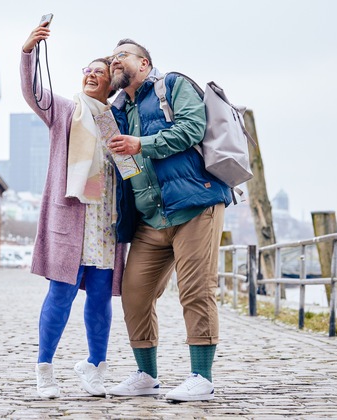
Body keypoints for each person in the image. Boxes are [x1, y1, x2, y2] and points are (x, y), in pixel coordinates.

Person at [105, 39, 233, 402]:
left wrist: (141, 144)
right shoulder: (117, 110)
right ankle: (146, 375)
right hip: (151, 219)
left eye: (122, 56)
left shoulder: (172, 86)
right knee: (134, 294)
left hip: (196, 206)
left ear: (143, 63)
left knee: (196, 291)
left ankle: (202, 377)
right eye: (111, 58)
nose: (115, 61)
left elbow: (192, 129)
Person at [20, 24, 127, 399]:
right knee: (60, 296)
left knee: (99, 301)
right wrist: (28, 52)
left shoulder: (119, 122)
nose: (91, 74)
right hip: (72, 222)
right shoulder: (65, 111)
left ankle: (96, 367)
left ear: (111, 85)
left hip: (106, 224)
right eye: (87, 69)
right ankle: (44, 369)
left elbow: (130, 172)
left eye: (100, 72)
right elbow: (33, 93)